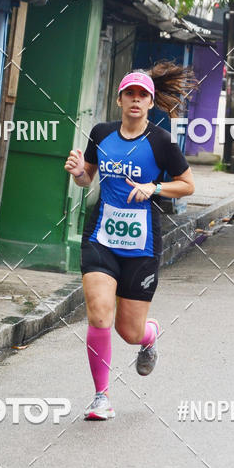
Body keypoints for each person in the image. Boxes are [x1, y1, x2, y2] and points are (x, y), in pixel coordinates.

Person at [64, 64, 196, 421]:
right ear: (119, 99)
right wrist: (78, 172)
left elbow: (187, 185)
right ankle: (101, 397)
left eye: (142, 95)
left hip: (142, 246)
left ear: (150, 103)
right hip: (101, 238)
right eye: (130, 94)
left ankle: (149, 336)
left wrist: (155, 187)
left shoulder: (161, 142)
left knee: (128, 330)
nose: (135, 100)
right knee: (99, 313)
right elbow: (86, 178)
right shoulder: (101, 134)